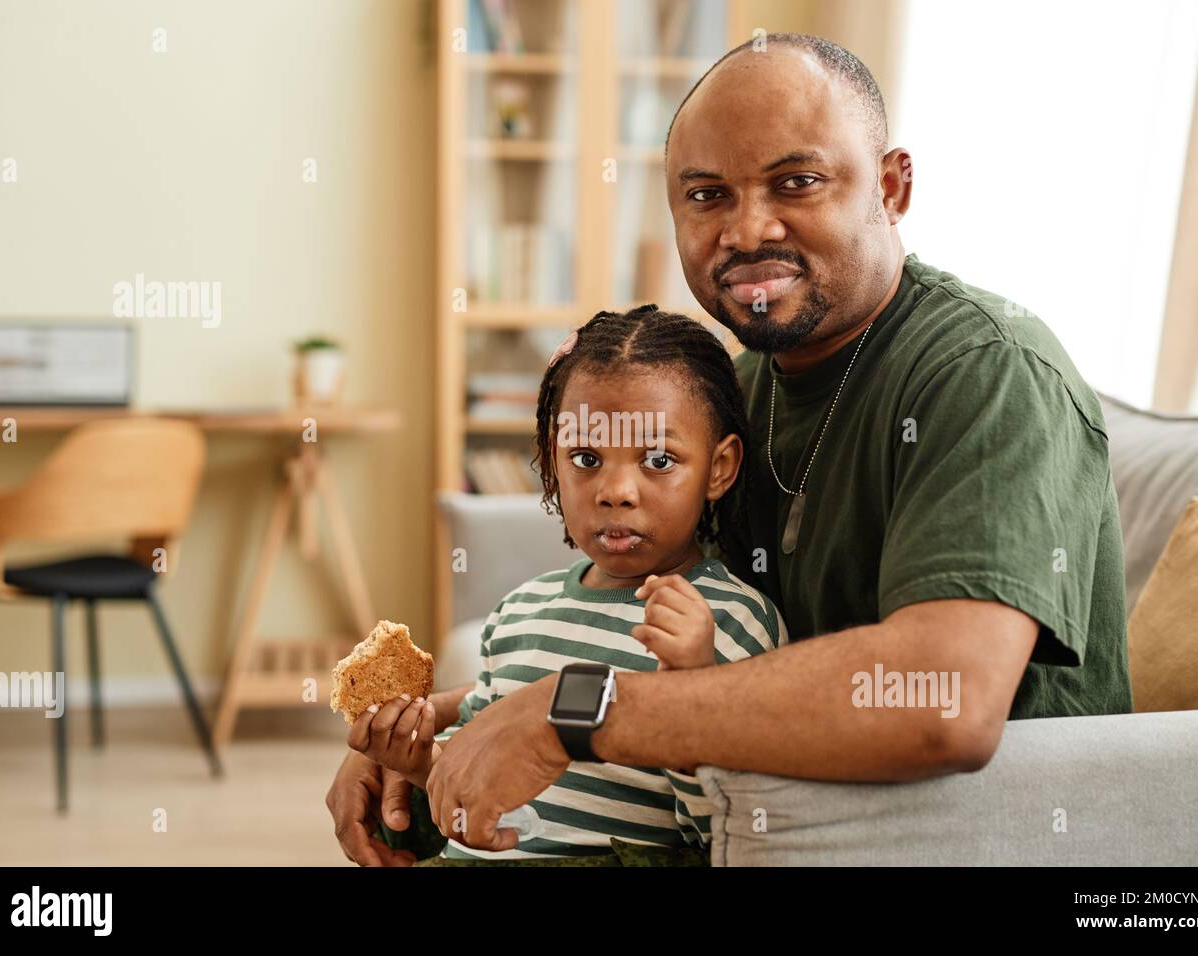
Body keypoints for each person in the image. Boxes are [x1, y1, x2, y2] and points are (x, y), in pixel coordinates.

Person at [327, 33, 1132, 865]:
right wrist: (436, 722)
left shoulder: (986, 372)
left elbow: (945, 699)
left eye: (797, 182)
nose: (747, 230)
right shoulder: (737, 390)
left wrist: (577, 713)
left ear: (891, 187)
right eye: (707, 195)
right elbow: (624, 636)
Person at [344, 305, 786, 864]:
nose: (616, 491)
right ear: (552, 466)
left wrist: (689, 690)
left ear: (719, 468)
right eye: (586, 457)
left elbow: (727, 833)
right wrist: (416, 762)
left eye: (657, 459)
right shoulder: (518, 611)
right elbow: (474, 797)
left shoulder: (733, 621)